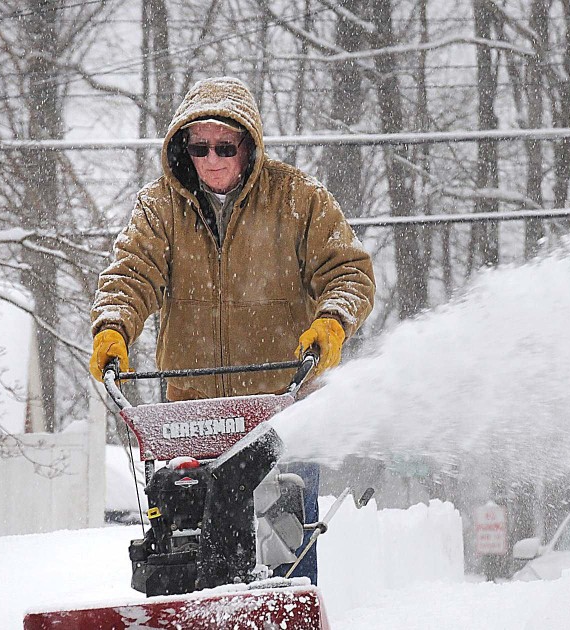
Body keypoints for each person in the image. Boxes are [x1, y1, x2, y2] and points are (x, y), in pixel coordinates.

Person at [88, 76, 375, 588]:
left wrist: (330, 324)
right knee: (187, 564)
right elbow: (131, 274)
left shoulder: (297, 199)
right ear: (184, 150)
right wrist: (114, 330)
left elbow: (349, 272)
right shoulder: (160, 209)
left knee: (285, 565)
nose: (213, 159)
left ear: (249, 146)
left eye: (225, 146)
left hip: (279, 416)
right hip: (193, 424)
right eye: (200, 147)